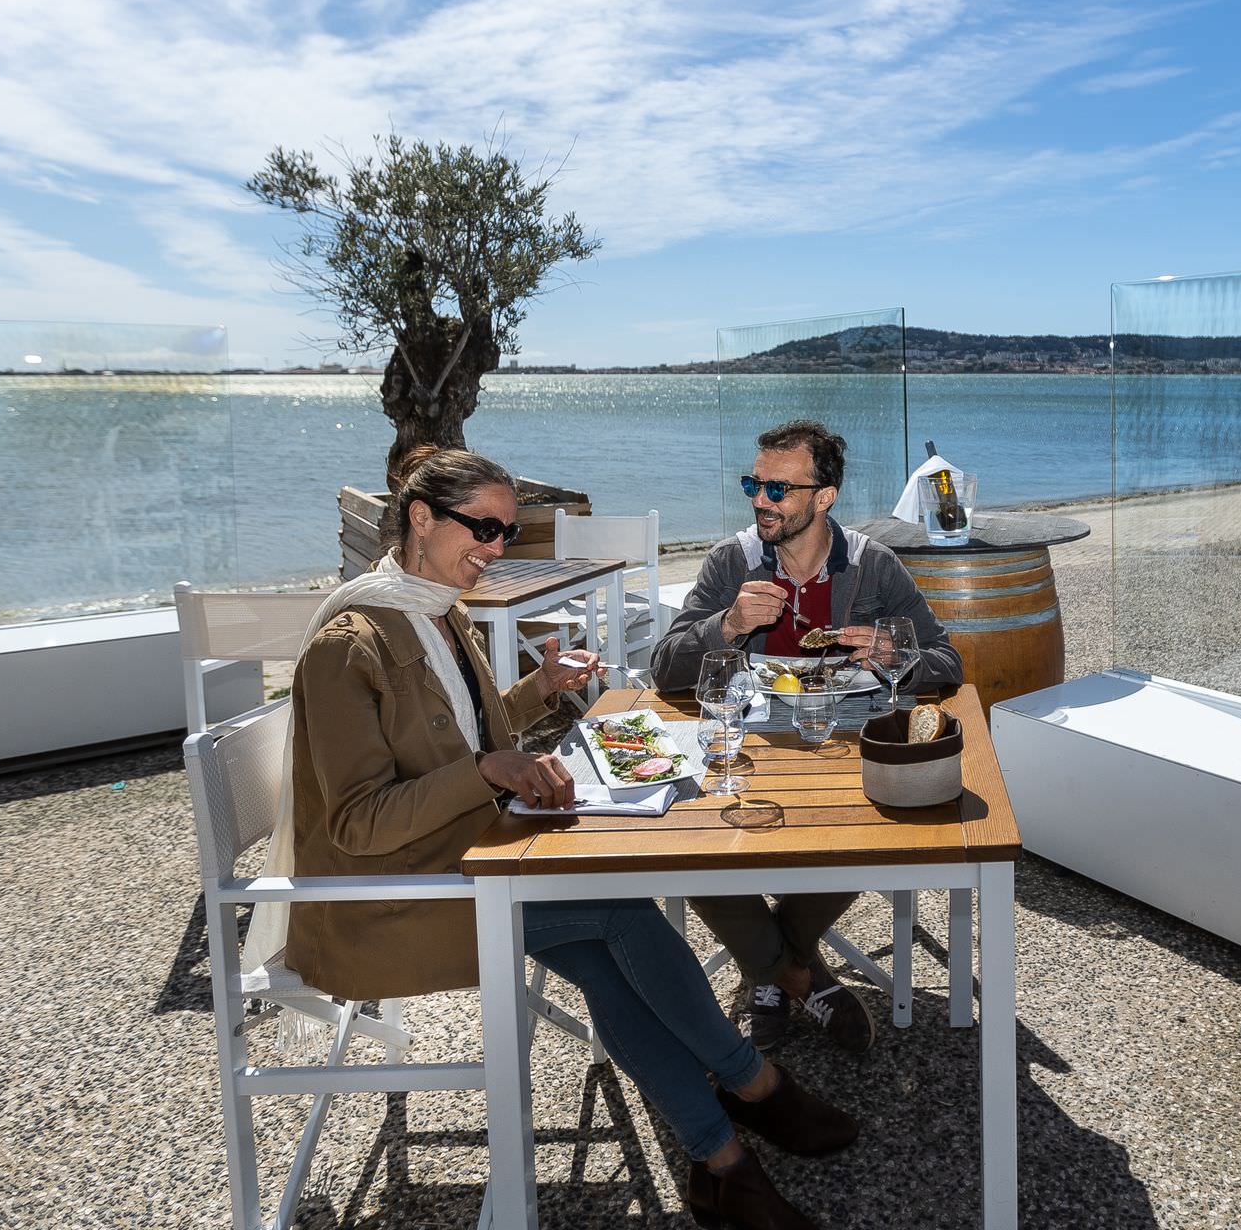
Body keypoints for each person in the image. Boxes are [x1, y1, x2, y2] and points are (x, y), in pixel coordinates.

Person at [256, 445, 855, 1230]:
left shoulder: (435, 610)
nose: (497, 550)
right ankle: (753, 1085)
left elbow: (459, 739)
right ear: (420, 518)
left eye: (508, 532)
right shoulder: (352, 644)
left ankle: (719, 1160)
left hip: (471, 860)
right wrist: (488, 770)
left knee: (611, 967)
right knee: (620, 911)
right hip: (400, 897)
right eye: (483, 528)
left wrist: (538, 689)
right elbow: (358, 824)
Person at [652, 420, 963, 1053]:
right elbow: (665, 669)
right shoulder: (732, 562)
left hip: (844, 749)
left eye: (778, 489)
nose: (760, 500)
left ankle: (768, 971)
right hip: (747, 748)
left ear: (823, 497)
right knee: (689, 848)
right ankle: (800, 976)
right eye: (753, 484)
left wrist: (893, 652)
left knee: (871, 828)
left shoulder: (872, 566)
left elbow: (947, 664)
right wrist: (728, 624)